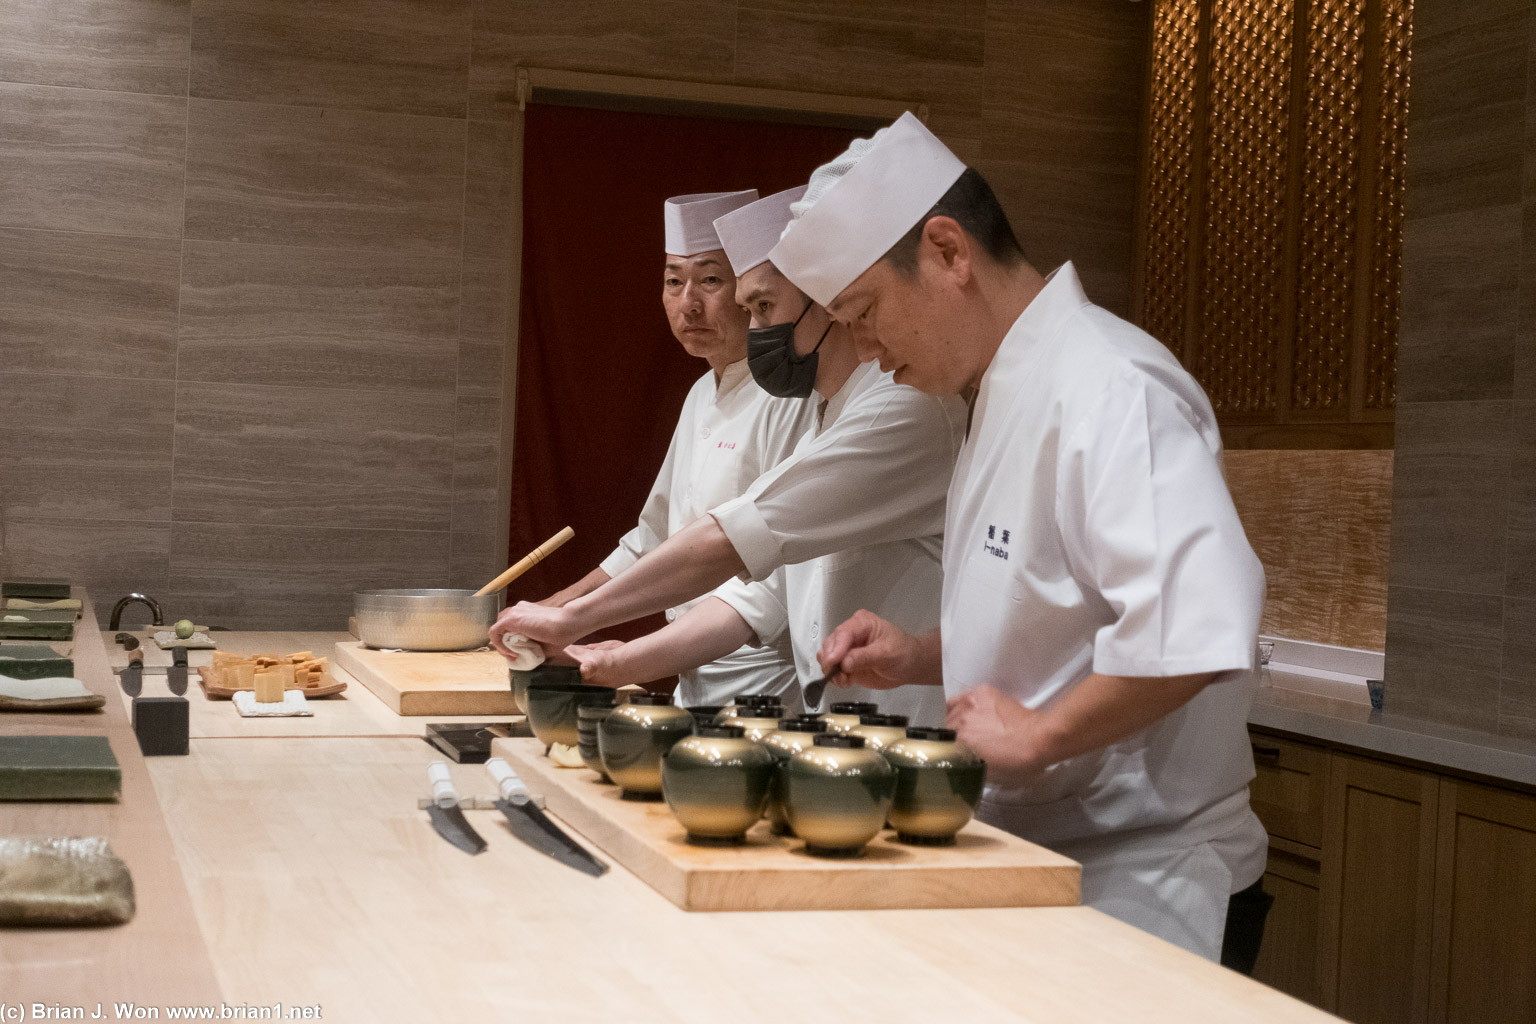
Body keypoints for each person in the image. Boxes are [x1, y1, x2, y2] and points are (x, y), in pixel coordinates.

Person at [784, 113, 1271, 966]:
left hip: (1146, 877)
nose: (864, 350)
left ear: (947, 251)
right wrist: (923, 655)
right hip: (1040, 856)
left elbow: (1194, 627)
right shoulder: (996, 391)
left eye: (864, 313)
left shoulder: (1112, 385)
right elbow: (1062, 613)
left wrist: (1041, 736)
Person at [490, 187, 965, 724]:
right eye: (674, 281)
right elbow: (690, 553)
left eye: (761, 306)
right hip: (834, 716)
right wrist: (599, 647)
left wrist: (580, 624)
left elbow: (735, 544)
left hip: (829, 705)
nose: (754, 331)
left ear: (831, 301)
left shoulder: (901, 406)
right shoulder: (819, 407)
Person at [502, 191, 816, 708]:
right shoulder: (700, 393)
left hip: (764, 672)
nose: (689, 303)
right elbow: (652, 537)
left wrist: (604, 647)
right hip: (689, 661)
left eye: (711, 279)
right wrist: (559, 606)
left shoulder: (789, 395)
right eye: (674, 281)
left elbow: (764, 565)